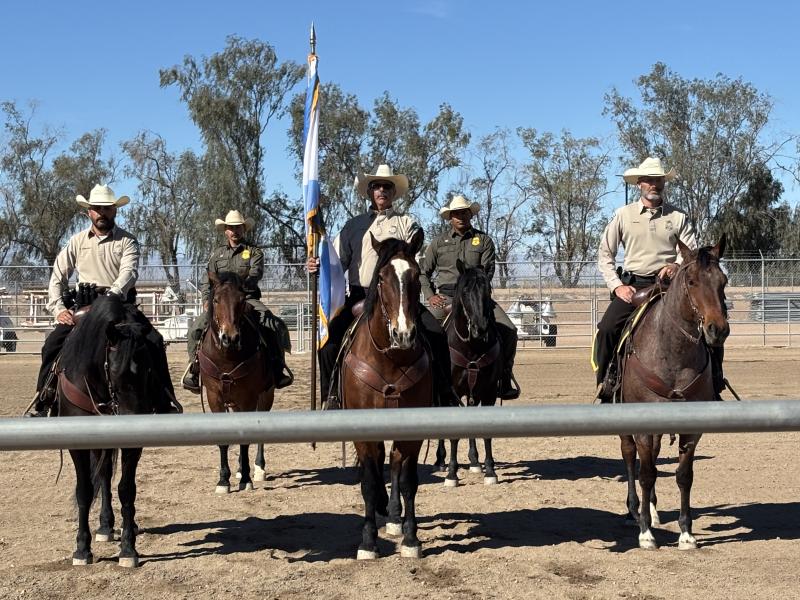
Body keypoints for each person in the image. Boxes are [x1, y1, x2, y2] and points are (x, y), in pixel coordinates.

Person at [306, 164, 458, 408]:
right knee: (328, 342)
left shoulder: (407, 223)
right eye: (376, 186)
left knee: (437, 335)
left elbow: (411, 262)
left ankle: (444, 392)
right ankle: (331, 396)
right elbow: (337, 264)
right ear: (369, 192)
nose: (381, 190)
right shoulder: (352, 227)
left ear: (393, 192)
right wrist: (317, 266)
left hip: (400, 297)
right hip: (360, 297)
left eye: (387, 186)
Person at [25, 184, 182, 417]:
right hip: (84, 303)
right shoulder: (76, 241)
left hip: (120, 305)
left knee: (154, 340)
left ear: (115, 211)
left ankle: (165, 399)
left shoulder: (127, 241)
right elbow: (58, 275)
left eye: (107, 208)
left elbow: (128, 273)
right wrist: (58, 308)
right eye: (97, 208)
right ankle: (45, 397)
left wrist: (112, 296)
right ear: (89, 211)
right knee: (52, 344)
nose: (102, 213)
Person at [592, 157, 725, 402]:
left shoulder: (678, 217)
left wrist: (676, 265)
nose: (654, 184)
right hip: (634, 287)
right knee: (608, 328)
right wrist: (618, 286)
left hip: (671, 286)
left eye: (658, 180)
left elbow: (692, 256)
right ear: (639, 184)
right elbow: (604, 254)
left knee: (712, 324)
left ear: (664, 183)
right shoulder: (623, 215)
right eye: (649, 180)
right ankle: (607, 383)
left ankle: (715, 380)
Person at [419, 195, 520, 400]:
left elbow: (487, 272)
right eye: (456, 214)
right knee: (423, 330)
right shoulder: (438, 243)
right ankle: (428, 378)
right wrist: (430, 296)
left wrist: (476, 293)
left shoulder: (484, 240)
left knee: (509, 330)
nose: (460, 217)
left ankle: (504, 375)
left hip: (477, 298)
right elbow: (423, 272)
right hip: (446, 298)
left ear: (470, 215)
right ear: (450, 217)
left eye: (464, 213)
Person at [181, 210, 293, 393]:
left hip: (246, 298)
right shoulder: (217, 255)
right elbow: (206, 279)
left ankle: (277, 366)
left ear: (244, 229)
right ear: (225, 230)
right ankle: (194, 368)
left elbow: (256, 273)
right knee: (195, 329)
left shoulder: (254, 252)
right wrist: (205, 300)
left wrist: (240, 288)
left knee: (273, 324)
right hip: (220, 302)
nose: (235, 231)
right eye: (231, 228)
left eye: (238, 227)